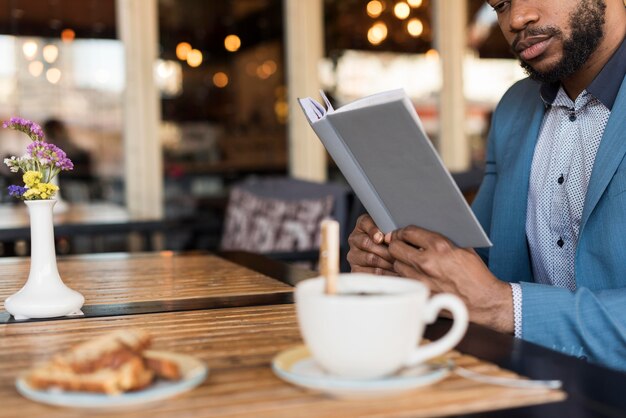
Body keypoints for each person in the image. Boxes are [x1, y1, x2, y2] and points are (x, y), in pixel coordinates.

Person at [347, 0, 626, 371]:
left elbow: (496, 299)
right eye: (500, 5)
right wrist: (405, 266)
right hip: (513, 381)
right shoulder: (514, 108)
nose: (516, 19)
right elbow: (484, 266)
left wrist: (504, 306)